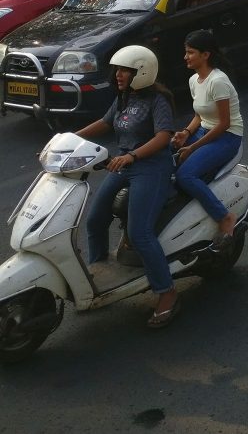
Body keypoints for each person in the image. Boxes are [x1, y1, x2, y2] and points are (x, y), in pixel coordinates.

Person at [76, 46, 179, 328]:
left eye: (124, 70)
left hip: (151, 167)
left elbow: (164, 137)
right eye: (117, 70)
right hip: (125, 165)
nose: (118, 75)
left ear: (141, 72)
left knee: (139, 232)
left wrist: (131, 155)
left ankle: (166, 292)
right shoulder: (125, 96)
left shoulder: (158, 100)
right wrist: (69, 137)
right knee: (95, 220)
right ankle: (100, 277)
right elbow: (105, 122)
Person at [170, 30, 242, 249]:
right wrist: (186, 133)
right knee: (168, 162)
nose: (186, 57)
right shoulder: (194, 80)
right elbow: (199, 116)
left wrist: (192, 147)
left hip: (227, 137)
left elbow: (224, 123)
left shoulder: (218, 81)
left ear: (206, 55)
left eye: (190, 52)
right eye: (186, 52)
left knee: (186, 175)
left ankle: (224, 216)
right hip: (205, 132)